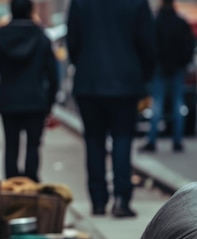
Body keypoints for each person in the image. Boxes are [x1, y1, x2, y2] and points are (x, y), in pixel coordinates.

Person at [66, 0, 155, 217]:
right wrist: (143, 76)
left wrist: (84, 64)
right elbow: (148, 44)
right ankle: (122, 199)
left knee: (93, 140)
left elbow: (72, 41)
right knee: (123, 139)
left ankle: (98, 201)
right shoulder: (137, 3)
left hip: (89, 81)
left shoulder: (80, 3)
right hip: (125, 82)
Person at [0, 0, 59, 182]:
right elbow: (53, 75)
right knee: (33, 146)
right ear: (31, 10)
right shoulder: (41, 37)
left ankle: (11, 187)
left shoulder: (0, 36)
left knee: (11, 146)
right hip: (35, 100)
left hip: (9, 99)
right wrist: (49, 103)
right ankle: (30, 185)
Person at [139, 0, 195, 153]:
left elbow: (150, 45)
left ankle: (152, 139)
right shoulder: (181, 23)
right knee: (178, 103)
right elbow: (188, 46)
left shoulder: (156, 22)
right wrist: (183, 63)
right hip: (177, 68)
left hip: (160, 67)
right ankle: (177, 140)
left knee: (157, 104)